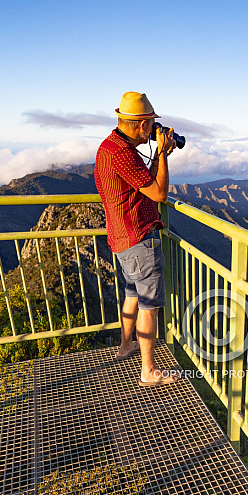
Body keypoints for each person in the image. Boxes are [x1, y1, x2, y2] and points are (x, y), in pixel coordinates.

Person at [94, 91, 181, 386]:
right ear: (142, 125)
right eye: (151, 125)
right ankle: (148, 370)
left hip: (122, 240)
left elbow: (143, 184)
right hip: (139, 239)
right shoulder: (123, 154)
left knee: (132, 294)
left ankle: (126, 345)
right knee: (148, 305)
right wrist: (161, 155)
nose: (153, 130)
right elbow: (159, 194)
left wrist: (159, 155)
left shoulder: (112, 146)